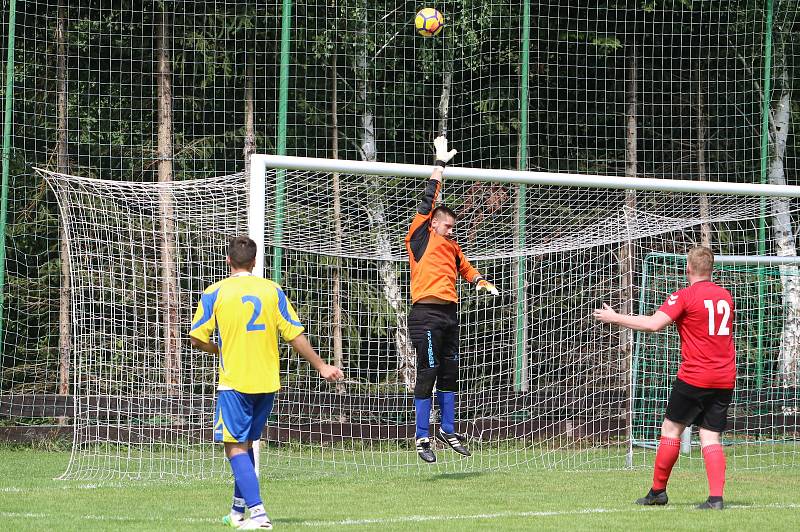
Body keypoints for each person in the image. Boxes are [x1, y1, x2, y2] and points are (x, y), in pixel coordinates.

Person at [189, 236, 343, 529]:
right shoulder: (272, 290)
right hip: (268, 381)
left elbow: (197, 337)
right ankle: (237, 512)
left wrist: (217, 348)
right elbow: (294, 334)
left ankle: (259, 516)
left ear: (228, 261)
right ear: (256, 261)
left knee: (234, 447)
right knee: (245, 445)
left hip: (235, 382)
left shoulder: (215, 292)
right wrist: (322, 366)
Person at [593, 246, 735, 510]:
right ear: (711, 270)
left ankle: (658, 491)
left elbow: (652, 324)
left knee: (671, 430)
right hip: (725, 377)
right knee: (710, 437)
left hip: (695, 376)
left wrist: (614, 318)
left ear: (688, 269)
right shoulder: (725, 296)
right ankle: (715, 498)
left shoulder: (685, 296)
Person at [405, 136, 499, 463]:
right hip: (425, 314)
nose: (449, 229)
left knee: (449, 373)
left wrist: (481, 281)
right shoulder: (420, 236)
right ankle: (421, 436)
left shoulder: (453, 247)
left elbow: (467, 269)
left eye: (452, 226)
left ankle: (448, 429)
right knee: (428, 371)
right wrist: (440, 165)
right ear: (432, 223)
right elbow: (429, 198)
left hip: (449, 316)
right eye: (446, 225)